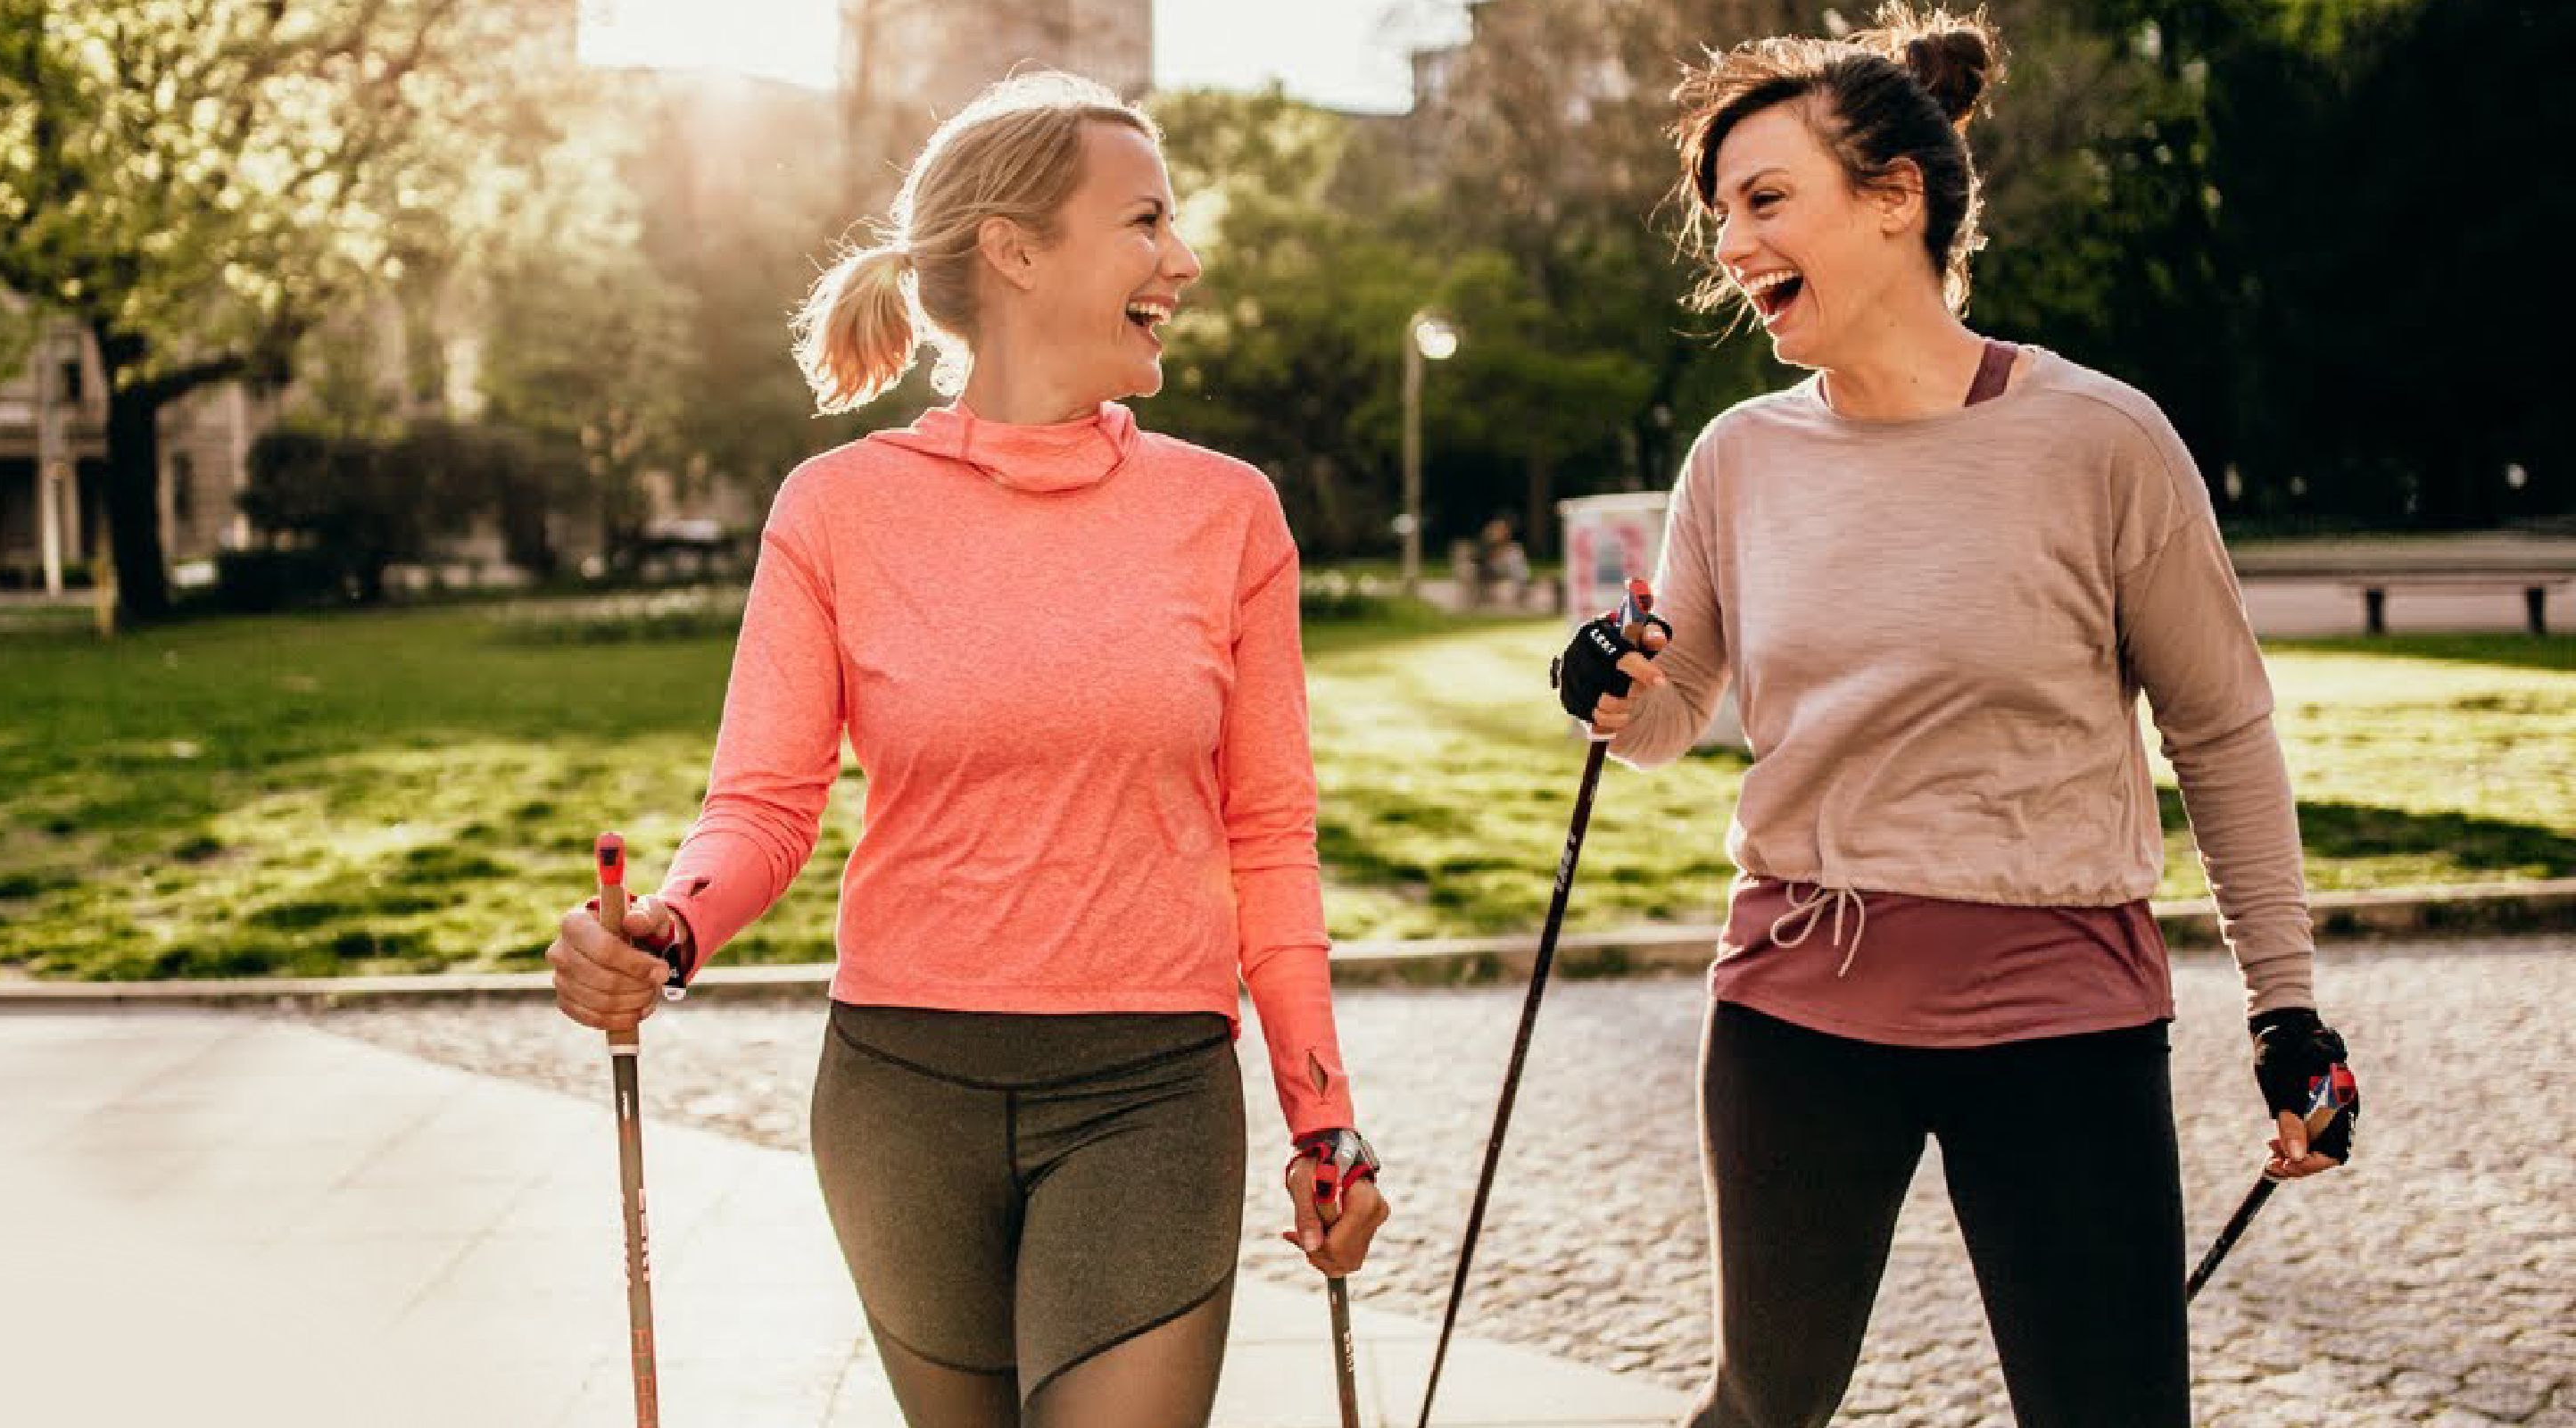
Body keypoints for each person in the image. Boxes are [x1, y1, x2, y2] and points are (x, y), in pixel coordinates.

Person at [542, 71, 1387, 1428]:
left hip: (1150, 1092)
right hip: (901, 1099)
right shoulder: (836, 510)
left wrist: (1322, 1118)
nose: (1184, 260)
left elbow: (1269, 841)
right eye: (1146, 222)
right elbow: (763, 806)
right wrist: (664, 931)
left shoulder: (1227, 514)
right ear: (1016, 249)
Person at [1559, 7, 2361, 1425]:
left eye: (1764, 202)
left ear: (1894, 200)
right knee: (1761, 1409)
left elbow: (2222, 730)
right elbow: (1674, 709)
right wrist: (1611, 689)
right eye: (1719, 216)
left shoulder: (2100, 439)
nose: (1730, 247)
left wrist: (2285, 1012)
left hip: (2060, 1010)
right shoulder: (1739, 458)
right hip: (1798, 1005)